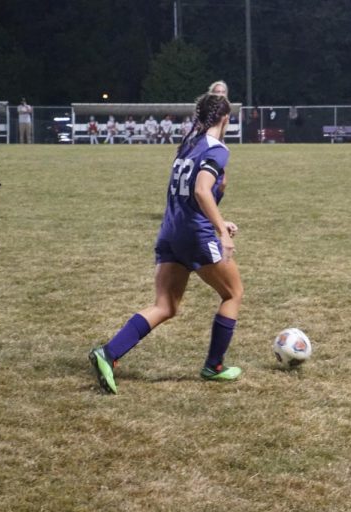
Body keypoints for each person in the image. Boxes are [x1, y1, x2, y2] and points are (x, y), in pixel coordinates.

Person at [89, 93, 243, 393]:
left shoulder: (188, 145)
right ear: (225, 119)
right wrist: (221, 232)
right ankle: (214, 366)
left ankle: (107, 353)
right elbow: (201, 191)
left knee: (165, 305)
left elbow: (190, 195)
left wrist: (219, 220)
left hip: (170, 232)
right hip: (195, 235)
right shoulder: (218, 149)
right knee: (233, 294)